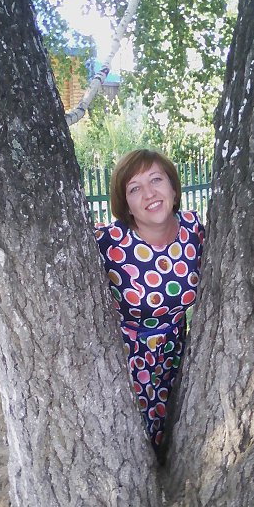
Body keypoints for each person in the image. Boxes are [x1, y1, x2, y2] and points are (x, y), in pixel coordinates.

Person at [95, 149, 204, 461]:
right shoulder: (108, 242)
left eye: (156, 180)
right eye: (134, 188)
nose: (149, 194)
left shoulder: (194, 230)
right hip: (130, 362)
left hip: (179, 355)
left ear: (173, 188)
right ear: (126, 205)